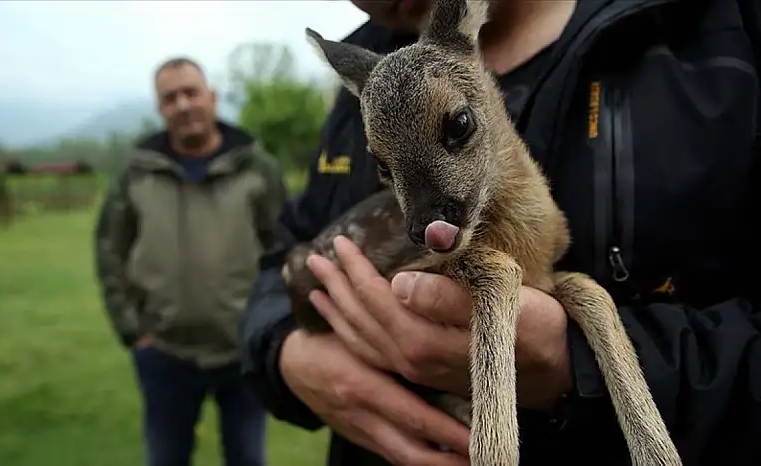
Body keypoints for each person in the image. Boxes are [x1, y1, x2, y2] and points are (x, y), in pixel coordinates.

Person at [241, 0, 761, 465]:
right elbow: (281, 260)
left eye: (457, 128)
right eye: (385, 168)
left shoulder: (722, 28)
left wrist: (569, 364)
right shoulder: (374, 73)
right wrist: (291, 356)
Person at [94, 56, 286, 466]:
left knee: (248, 457)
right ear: (160, 109)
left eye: (190, 92)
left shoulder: (257, 169)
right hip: (164, 354)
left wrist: (269, 327)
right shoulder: (135, 175)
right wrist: (133, 331)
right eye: (170, 98)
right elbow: (110, 251)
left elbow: (283, 250)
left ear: (211, 97)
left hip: (243, 352)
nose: (182, 105)